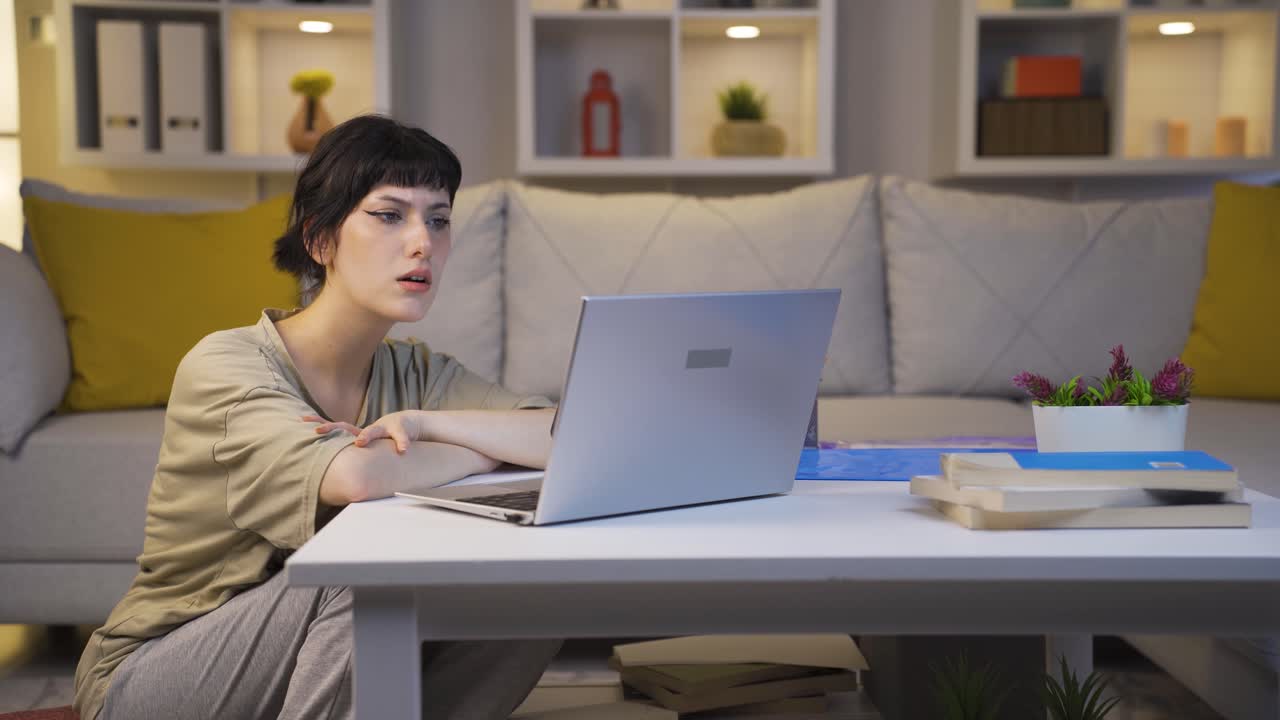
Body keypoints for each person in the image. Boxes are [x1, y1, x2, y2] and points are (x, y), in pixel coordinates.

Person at [73, 114, 563, 720]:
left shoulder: (417, 374)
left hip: (298, 671)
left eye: (438, 219)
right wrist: (488, 447)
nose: (422, 242)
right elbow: (353, 479)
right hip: (153, 680)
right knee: (367, 564)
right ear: (320, 240)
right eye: (389, 215)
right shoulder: (225, 364)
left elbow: (567, 435)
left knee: (538, 577)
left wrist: (432, 425)